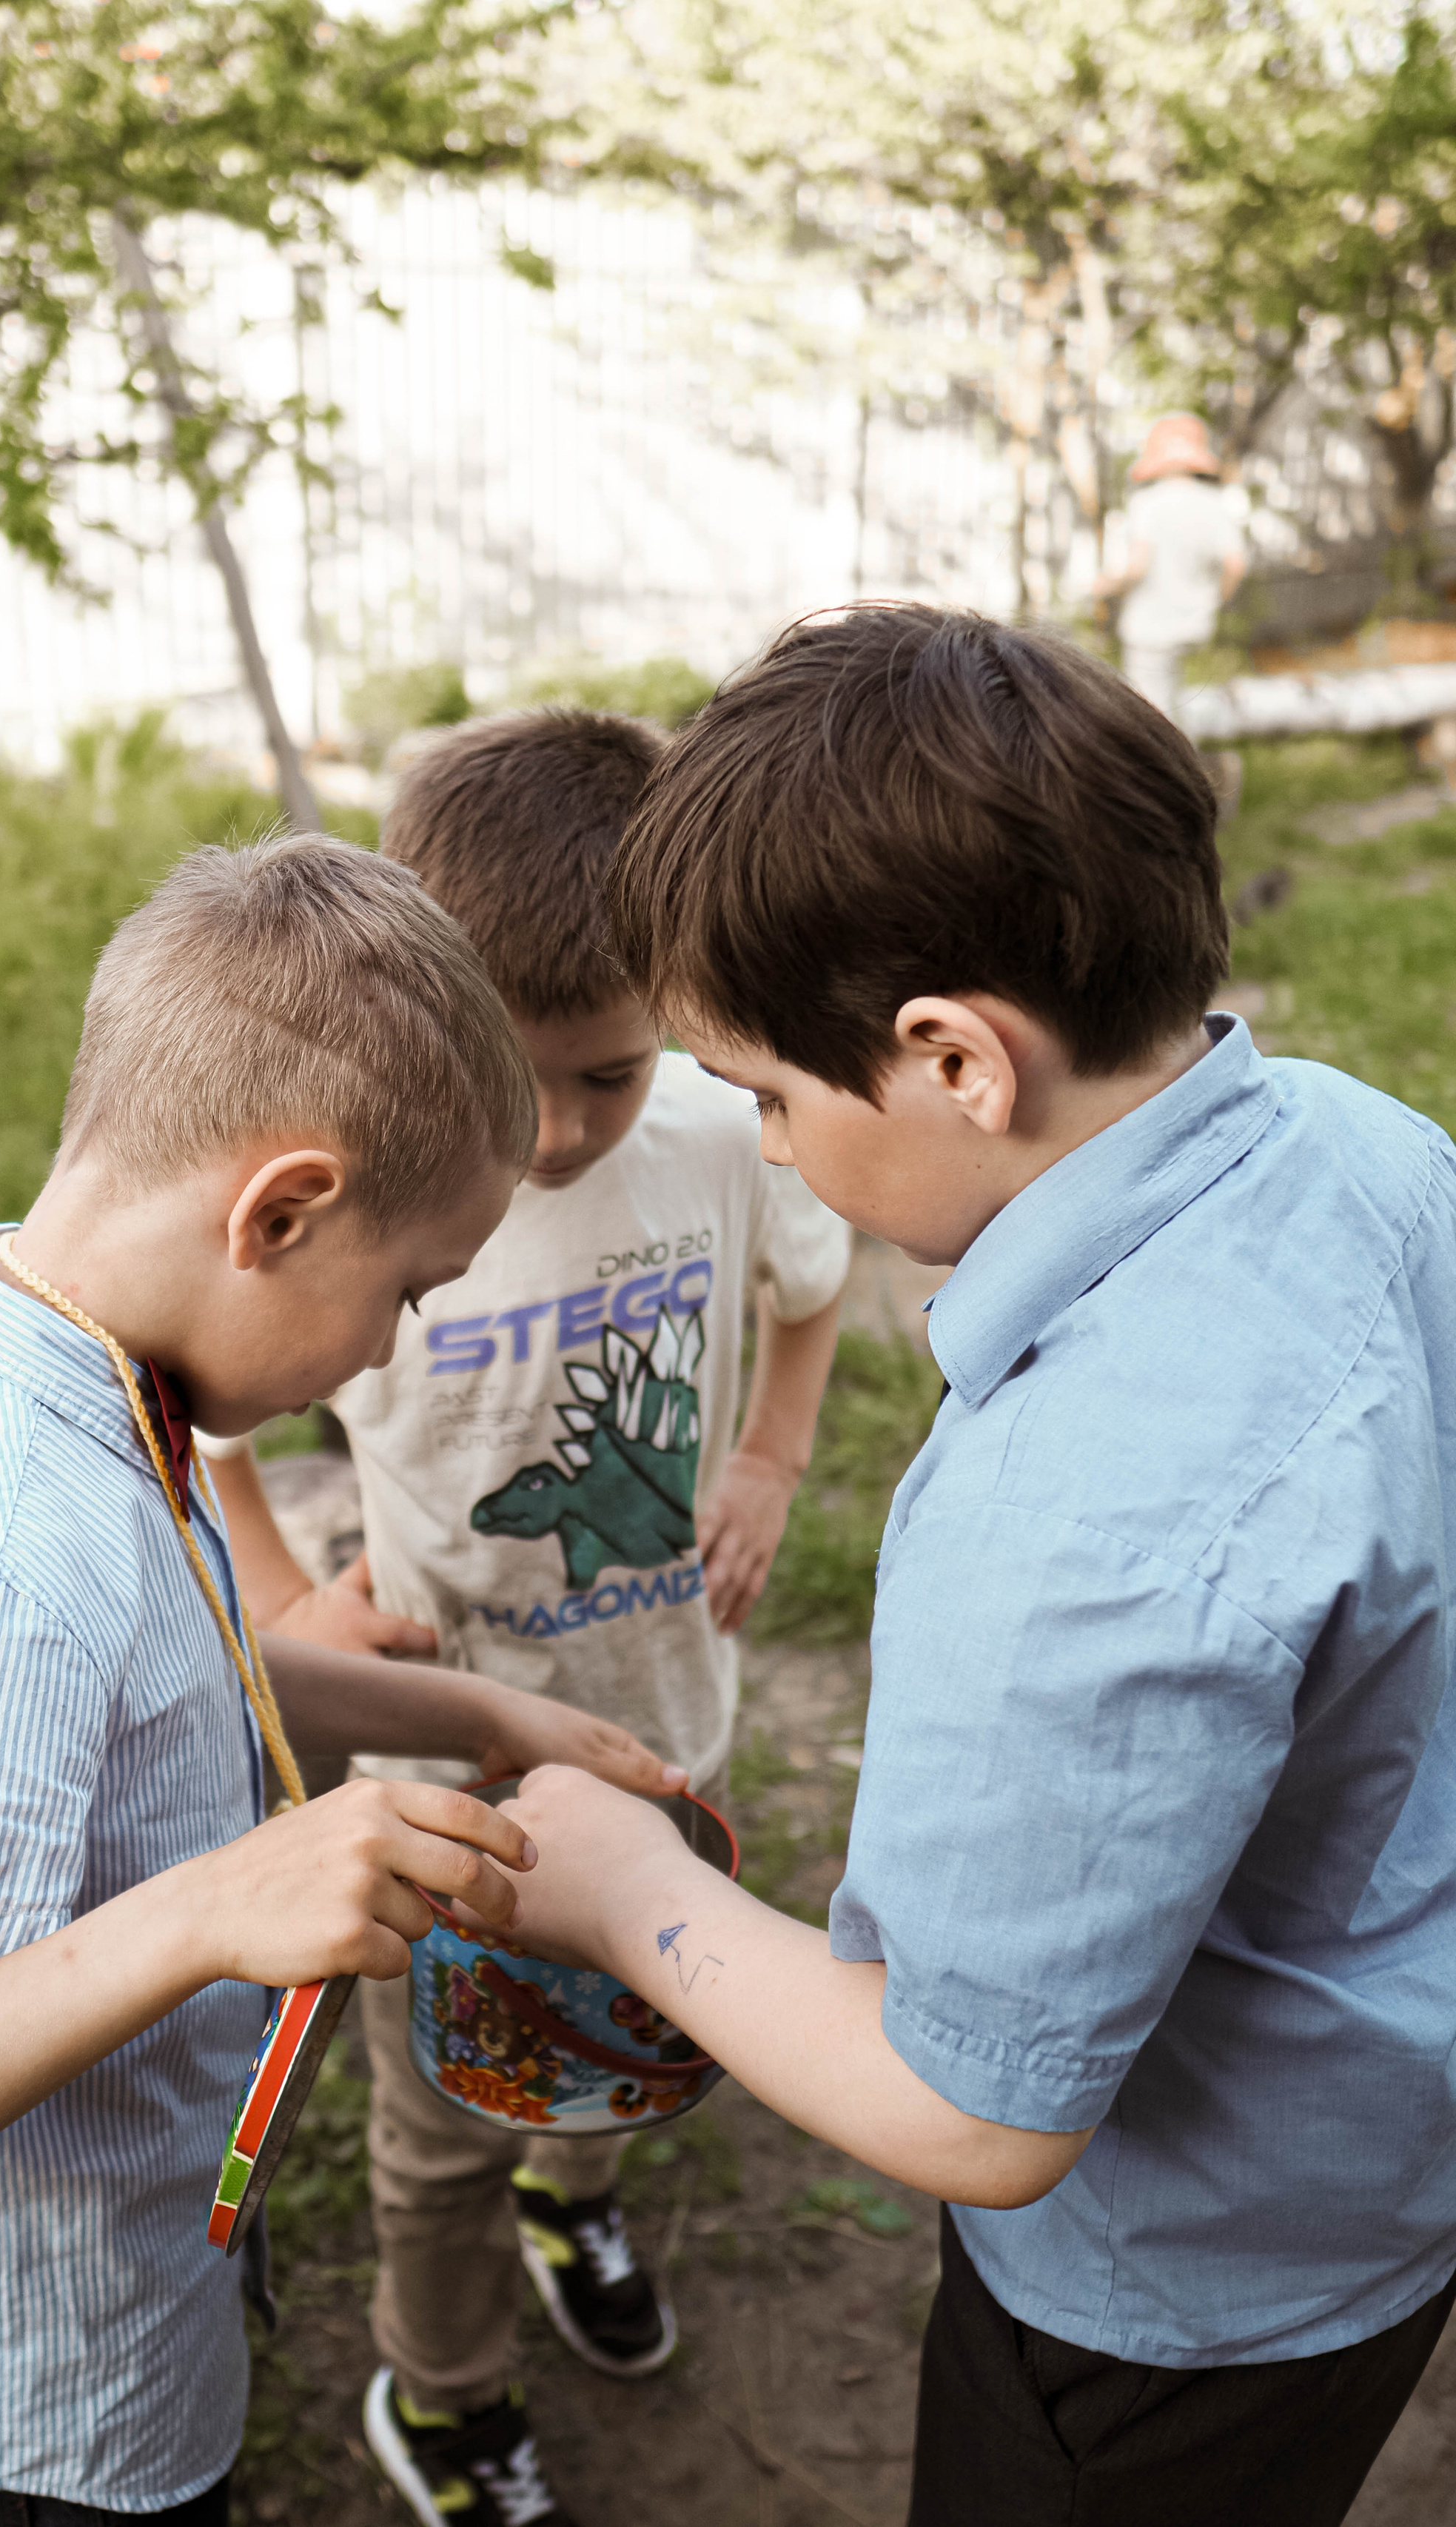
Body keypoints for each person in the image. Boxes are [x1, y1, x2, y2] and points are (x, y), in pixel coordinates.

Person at [497, 606, 1456, 2527]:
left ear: (952, 1058)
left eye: (770, 1094)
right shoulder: (1366, 1149)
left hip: (1174, 2299)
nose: (766, 1153)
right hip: (1382, 2169)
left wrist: (618, 1898)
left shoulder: (1091, 1512)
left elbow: (975, 2109)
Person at [0, 837, 685, 2527]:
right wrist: (211, 1909)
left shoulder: (95, 1369)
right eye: (400, 1293)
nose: (383, 1351)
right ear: (282, 1209)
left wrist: (472, 1719)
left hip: (132, 2253)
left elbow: (172, 1691)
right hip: (32, 2387)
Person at [204, 712, 851, 2527]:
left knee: (617, 2000)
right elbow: (219, 1424)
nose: (562, 1129)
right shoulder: (375, 1174)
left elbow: (809, 1291)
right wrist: (279, 1602)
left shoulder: (727, 1134)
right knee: (433, 2120)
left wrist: (775, 1460)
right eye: (525, 1074)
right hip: (437, 1753)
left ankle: (577, 2192)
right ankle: (448, 2387)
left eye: (610, 1074)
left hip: (655, 1705)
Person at [1098, 411, 1246, 728]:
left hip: (1151, 628)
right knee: (1178, 706)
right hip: (1195, 622)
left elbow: (1137, 568)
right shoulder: (1215, 503)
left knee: (1152, 718)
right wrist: (1214, 599)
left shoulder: (1148, 504)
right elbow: (1236, 564)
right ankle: (1200, 767)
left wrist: (1105, 586)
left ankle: (1168, 775)